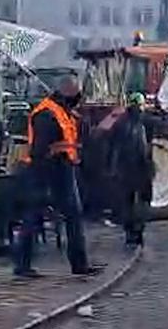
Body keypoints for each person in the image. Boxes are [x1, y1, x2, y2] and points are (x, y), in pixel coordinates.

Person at [16, 76, 98, 278]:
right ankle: (22, 265)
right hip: (45, 171)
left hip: (63, 168)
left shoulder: (63, 111)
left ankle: (80, 264)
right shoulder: (46, 113)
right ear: (69, 93)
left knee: (72, 215)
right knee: (35, 217)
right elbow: (40, 149)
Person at [108, 92, 153, 249]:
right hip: (138, 168)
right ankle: (137, 232)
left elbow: (113, 147)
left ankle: (131, 234)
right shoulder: (142, 122)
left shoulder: (121, 123)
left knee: (128, 202)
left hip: (126, 169)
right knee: (140, 202)